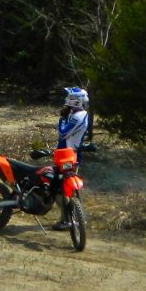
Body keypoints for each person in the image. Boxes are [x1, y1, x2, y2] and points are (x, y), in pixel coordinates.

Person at [52, 86, 89, 230]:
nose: (66, 100)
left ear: (76, 100)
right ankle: (70, 218)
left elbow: (63, 132)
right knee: (62, 188)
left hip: (69, 156)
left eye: (70, 98)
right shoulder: (76, 114)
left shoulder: (79, 116)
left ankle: (68, 219)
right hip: (66, 154)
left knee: (63, 188)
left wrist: (62, 119)